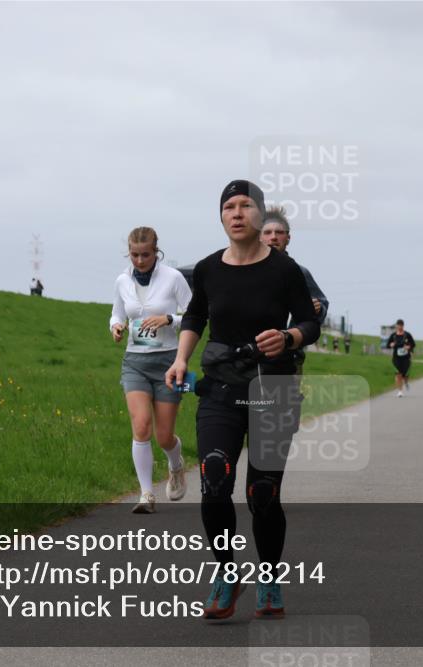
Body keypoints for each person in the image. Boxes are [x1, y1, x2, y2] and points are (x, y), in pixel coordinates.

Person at [165, 179, 319, 620]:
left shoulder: (285, 270)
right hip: (222, 386)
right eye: (228, 206)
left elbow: (310, 322)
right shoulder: (209, 268)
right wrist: (180, 359)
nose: (236, 213)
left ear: (260, 214)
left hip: (275, 388)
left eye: (245, 205)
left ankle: (268, 575)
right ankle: (227, 574)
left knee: (263, 492)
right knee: (215, 478)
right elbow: (195, 314)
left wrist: (288, 336)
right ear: (221, 216)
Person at [110, 227, 192, 514]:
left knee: (164, 436)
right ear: (128, 253)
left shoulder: (173, 278)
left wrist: (169, 318)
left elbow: (195, 315)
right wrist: (116, 327)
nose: (140, 260)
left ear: (157, 252)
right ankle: (146, 495)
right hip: (135, 361)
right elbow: (117, 313)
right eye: (134, 255)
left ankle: (176, 465)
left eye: (146, 255)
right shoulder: (122, 280)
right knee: (141, 426)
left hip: (170, 361)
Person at [261, 205, 329, 374]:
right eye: (267, 232)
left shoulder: (299, 272)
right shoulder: (245, 269)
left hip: (289, 357)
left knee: (285, 400)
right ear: (258, 236)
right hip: (250, 358)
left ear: (288, 238)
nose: (273, 237)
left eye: (279, 232)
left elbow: (320, 302)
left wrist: (316, 308)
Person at [386, 319, 415, 396]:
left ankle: (406, 382)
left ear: (403, 326)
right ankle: (400, 391)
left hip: (406, 358)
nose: (399, 327)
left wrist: (408, 347)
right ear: (396, 326)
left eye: (401, 325)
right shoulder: (393, 335)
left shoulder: (407, 335)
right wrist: (390, 345)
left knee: (405, 375)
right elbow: (387, 345)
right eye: (398, 325)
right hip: (396, 357)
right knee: (398, 374)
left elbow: (413, 344)